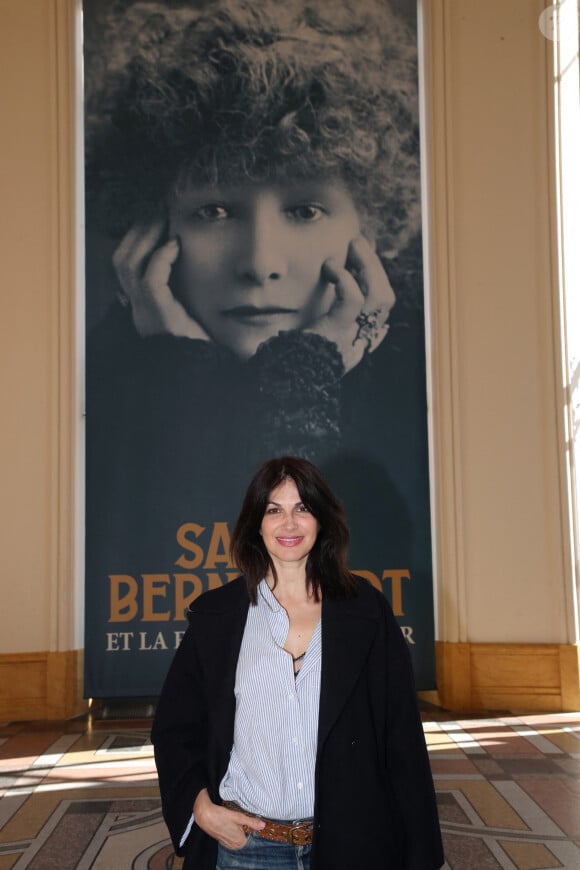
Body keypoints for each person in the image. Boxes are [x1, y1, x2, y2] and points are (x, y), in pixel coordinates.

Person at [84, 0, 435, 698]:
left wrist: (284, 374)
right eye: (215, 211)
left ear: (369, 226)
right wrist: (189, 374)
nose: (260, 263)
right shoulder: (101, 382)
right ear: (150, 231)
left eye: (305, 210)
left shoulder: (418, 386)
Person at [151, 456, 444, 869]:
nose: (289, 524)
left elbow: (402, 743)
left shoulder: (367, 613)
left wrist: (419, 855)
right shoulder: (216, 617)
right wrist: (200, 807)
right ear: (256, 524)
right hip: (246, 849)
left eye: (302, 508)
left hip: (351, 842)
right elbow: (175, 729)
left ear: (322, 520)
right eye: (274, 510)